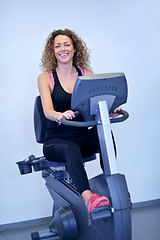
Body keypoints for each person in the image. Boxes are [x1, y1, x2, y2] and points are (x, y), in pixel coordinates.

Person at [38, 29, 120, 216]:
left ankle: (114, 187)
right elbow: (47, 111)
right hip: (56, 141)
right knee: (70, 149)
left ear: (75, 49)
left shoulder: (86, 74)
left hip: (80, 137)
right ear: (53, 51)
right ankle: (89, 199)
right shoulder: (46, 78)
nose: (62, 49)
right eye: (57, 46)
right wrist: (60, 115)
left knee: (103, 134)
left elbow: (93, 107)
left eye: (67, 44)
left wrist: (108, 111)